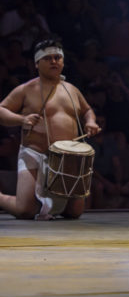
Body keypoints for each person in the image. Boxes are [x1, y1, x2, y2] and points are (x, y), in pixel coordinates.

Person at [0, 38, 100, 219]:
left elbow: (87, 111)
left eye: (57, 57)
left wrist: (90, 122)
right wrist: (21, 119)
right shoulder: (26, 89)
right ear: (37, 63)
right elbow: (2, 110)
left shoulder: (72, 90)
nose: (54, 61)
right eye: (48, 58)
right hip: (35, 153)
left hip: (67, 159)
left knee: (74, 212)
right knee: (25, 210)